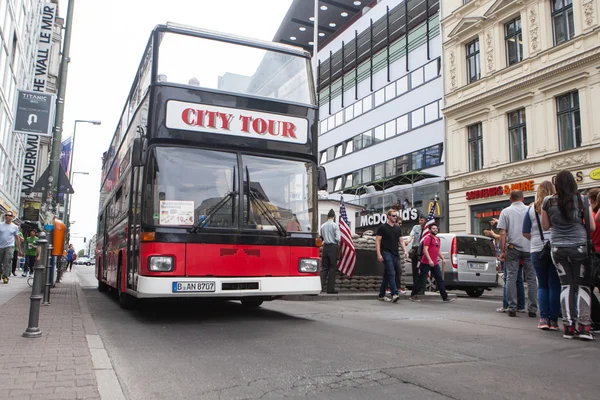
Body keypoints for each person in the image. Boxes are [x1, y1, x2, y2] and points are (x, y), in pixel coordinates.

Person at [542, 171, 595, 340]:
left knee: (566, 285)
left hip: (557, 248)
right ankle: (584, 326)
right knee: (583, 285)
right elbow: (592, 227)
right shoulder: (582, 200)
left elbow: (545, 226)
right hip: (579, 247)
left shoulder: (548, 201)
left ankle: (568, 326)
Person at [522, 181, 561, 331]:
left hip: (537, 250)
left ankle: (543, 319)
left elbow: (525, 231)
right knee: (555, 284)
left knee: (542, 285)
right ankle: (554, 320)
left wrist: (537, 239)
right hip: (556, 247)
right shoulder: (556, 206)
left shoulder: (531, 209)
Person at [498, 190, 538, 318]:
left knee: (511, 277)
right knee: (531, 278)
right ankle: (532, 308)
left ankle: (512, 307)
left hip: (513, 247)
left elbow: (503, 233)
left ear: (510, 199)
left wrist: (502, 250)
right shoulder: (530, 210)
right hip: (529, 247)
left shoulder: (505, 211)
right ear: (523, 198)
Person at [410, 223, 455, 302]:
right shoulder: (428, 238)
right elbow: (425, 250)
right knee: (421, 279)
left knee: (439, 279)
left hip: (434, 263)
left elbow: (437, 251)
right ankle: (413, 295)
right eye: (433, 228)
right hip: (426, 262)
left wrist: (443, 258)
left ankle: (445, 297)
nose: (435, 230)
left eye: (436, 228)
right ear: (430, 230)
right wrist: (429, 260)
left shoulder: (437, 239)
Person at [376, 209, 407, 303]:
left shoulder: (397, 228)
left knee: (392, 273)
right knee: (391, 272)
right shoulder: (382, 227)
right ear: (388, 216)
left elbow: (401, 241)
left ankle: (381, 295)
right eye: (393, 216)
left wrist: (405, 251)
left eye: (396, 216)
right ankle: (394, 294)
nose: (395, 217)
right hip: (386, 252)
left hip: (395, 253)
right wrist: (378, 254)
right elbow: (377, 241)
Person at [319, 209, 340, 294]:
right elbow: (338, 238)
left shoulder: (322, 226)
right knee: (332, 268)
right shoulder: (335, 226)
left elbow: (321, 237)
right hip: (333, 247)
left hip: (325, 247)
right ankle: (330, 289)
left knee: (324, 268)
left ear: (327, 216)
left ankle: (319, 288)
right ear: (334, 217)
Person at [405, 215, 427, 295]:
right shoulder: (416, 227)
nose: (420, 222)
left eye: (422, 220)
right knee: (415, 270)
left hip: (423, 251)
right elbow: (411, 236)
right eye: (419, 220)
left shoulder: (428, 229)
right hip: (415, 249)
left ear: (425, 220)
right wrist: (408, 241)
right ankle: (415, 288)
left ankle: (422, 288)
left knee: (423, 270)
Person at [0, 212, 21, 284]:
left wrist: (19, 249)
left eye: (9, 215)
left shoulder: (14, 227)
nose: (7, 216)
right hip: (0, 246)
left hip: (9, 246)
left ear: (12, 217)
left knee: (7, 260)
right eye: (6, 215)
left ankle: (5, 276)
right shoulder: (0, 225)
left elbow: (17, 238)